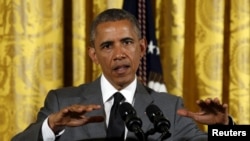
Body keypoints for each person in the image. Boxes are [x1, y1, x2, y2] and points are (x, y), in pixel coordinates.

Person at [11, 8, 233, 141]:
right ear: (93, 54)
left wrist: (225, 127)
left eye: (127, 42)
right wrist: (51, 127)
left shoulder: (170, 108)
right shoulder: (62, 102)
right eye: (107, 46)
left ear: (142, 47)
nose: (119, 54)